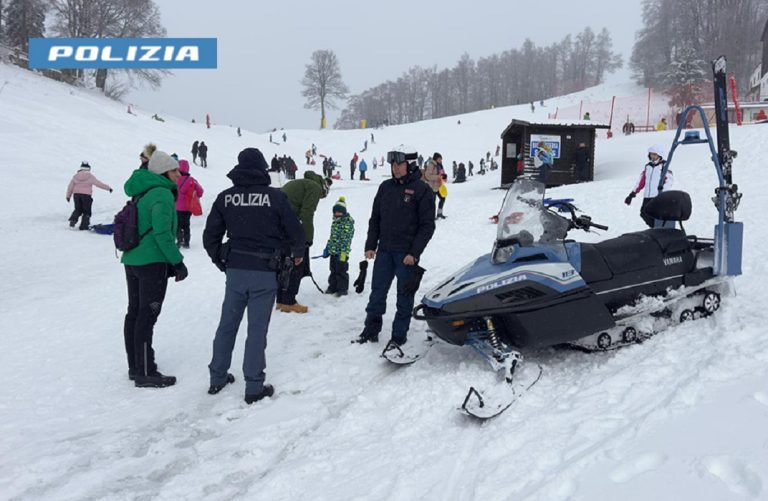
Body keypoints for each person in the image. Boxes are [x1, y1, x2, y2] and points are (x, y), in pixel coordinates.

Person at [203, 148, 305, 404]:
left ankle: (217, 377)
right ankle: (254, 386)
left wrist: (222, 261)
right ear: (262, 169)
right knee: (257, 329)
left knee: (227, 324)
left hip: (236, 269)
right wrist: (297, 253)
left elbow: (210, 237)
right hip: (264, 270)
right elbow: (295, 230)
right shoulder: (276, 197)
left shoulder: (225, 198)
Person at [354, 145, 435, 346]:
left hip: (406, 255)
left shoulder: (422, 190)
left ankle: (399, 336)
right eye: (393, 164)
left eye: (400, 164)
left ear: (410, 164)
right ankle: (371, 329)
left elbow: (427, 226)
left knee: (404, 297)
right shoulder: (385, 187)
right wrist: (371, 244)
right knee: (377, 294)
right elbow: (376, 218)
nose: (395, 168)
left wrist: (414, 253)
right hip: (384, 252)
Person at [122, 151, 188, 388]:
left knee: (134, 312)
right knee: (147, 314)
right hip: (152, 262)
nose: (178, 174)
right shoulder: (161, 194)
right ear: (162, 172)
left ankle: (135, 366)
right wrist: (177, 261)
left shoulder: (143, 191)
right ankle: (146, 371)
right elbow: (162, 233)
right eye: (174, 171)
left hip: (133, 259)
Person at [277, 171, 331, 313]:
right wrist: (306, 240)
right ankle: (288, 301)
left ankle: (281, 299)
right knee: (296, 264)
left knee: (284, 263)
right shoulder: (315, 187)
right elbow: (307, 213)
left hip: (279, 224)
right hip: (288, 226)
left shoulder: (303, 183)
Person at [625, 144, 674, 228]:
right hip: (647, 195)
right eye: (651, 154)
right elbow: (641, 181)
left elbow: (669, 180)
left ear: (659, 155)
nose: (652, 156)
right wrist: (632, 194)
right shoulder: (648, 166)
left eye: (655, 154)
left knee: (656, 214)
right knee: (644, 213)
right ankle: (655, 228)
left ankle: (658, 229)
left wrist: (663, 191)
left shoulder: (664, 166)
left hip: (657, 195)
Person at [66, 161, 113, 230]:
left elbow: (70, 187)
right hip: (86, 196)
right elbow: (99, 184)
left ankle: (73, 220)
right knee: (86, 211)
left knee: (78, 209)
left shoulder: (75, 176)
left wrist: (68, 196)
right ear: (88, 169)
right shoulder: (90, 176)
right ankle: (84, 226)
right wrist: (108, 188)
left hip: (76, 195)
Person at [323, 196, 355, 296]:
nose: (338, 214)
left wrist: (343, 253)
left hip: (342, 253)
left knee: (341, 271)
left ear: (344, 212)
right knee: (333, 270)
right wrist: (328, 248)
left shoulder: (347, 223)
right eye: (336, 212)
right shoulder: (335, 223)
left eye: (340, 212)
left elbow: (346, 240)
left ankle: (342, 289)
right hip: (333, 251)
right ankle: (332, 287)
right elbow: (332, 237)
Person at [175, 159, 204, 248]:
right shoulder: (192, 180)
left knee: (178, 224)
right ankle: (187, 242)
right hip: (188, 207)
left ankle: (179, 240)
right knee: (186, 224)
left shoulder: (174, 179)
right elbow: (200, 192)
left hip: (176, 207)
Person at [422, 152, 446, 219]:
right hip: (431, 187)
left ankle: (439, 213)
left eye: (441, 159)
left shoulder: (440, 165)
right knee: (432, 202)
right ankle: (431, 216)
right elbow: (427, 176)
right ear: (436, 158)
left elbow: (442, 174)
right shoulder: (431, 165)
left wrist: (444, 177)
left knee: (443, 198)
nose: (441, 160)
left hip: (439, 186)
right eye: (440, 159)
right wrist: (438, 177)